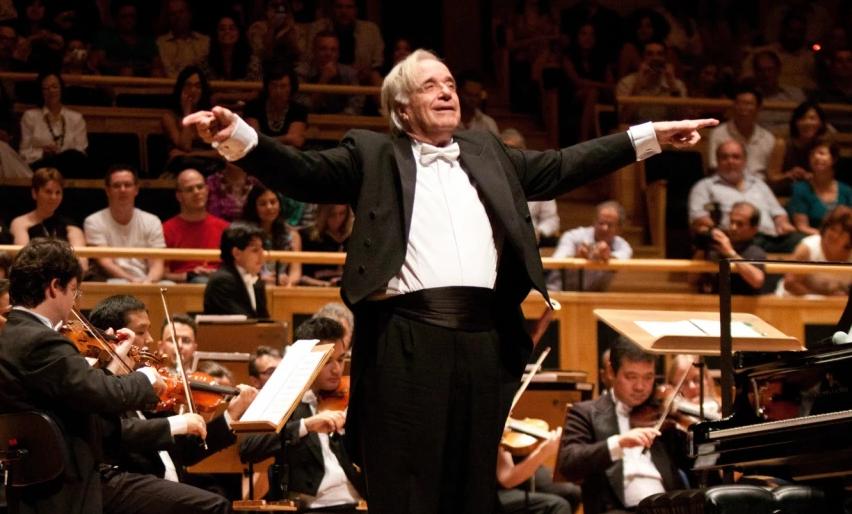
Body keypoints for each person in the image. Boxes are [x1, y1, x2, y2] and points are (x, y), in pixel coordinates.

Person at [183, 48, 716, 514]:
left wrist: (649, 137)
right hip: (407, 338)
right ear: (402, 108)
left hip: (484, 339)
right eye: (430, 85)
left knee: (472, 484)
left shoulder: (488, 153)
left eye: (451, 84)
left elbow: (563, 165)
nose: (446, 92)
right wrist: (241, 138)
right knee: (408, 480)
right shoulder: (372, 154)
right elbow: (303, 172)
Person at [0, 238, 167, 514]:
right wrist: (146, 378)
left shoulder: (12, 335)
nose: (74, 301)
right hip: (66, 487)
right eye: (74, 290)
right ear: (55, 287)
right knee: (208, 505)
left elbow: (79, 394)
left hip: (38, 482)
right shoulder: (41, 341)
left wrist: (114, 363)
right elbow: (101, 393)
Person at [240, 317, 365, 511]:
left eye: (341, 359)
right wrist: (306, 425)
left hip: (359, 502)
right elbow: (249, 448)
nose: (336, 369)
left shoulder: (349, 397)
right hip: (313, 506)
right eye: (327, 361)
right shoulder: (283, 400)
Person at [557, 338, 689, 514]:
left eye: (648, 377)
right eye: (631, 377)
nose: (640, 387)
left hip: (668, 508)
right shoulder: (585, 413)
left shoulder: (662, 417)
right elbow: (568, 463)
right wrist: (618, 443)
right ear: (612, 372)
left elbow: (693, 463)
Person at [688, 140, 799, 253]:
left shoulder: (758, 184)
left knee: (803, 241)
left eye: (736, 157)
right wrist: (724, 231)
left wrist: (782, 223)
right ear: (717, 161)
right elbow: (698, 218)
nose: (730, 161)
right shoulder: (704, 187)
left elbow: (778, 212)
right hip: (733, 240)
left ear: (745, 161)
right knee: (753, 251)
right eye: (724, 157)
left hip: (770, 237)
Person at [84, 164, 167, 283]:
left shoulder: (152, 221)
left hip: (147, 281)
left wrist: (147, 282)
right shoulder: (93, 221)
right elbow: (105, 263)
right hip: (113, 282)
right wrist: (133, 281)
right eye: (116, 186)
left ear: (136, 189)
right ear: (107, 190)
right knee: (117, 284)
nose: (122, 190)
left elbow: (157, 265)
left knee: (168, 286)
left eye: (127, 185)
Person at [9, 166, 88, 271]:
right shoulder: (20, 223)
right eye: (48, 192)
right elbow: (24, 263)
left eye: (58, 192)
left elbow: (82, 265)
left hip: (63, 279)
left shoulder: (71, 227)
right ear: (34, 193)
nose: (53, 197)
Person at [547, 200, 632, 292]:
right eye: (601, 223)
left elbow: (623, 257)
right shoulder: (572, 236)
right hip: (558, 292)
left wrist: (607, 255)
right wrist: (577, 257)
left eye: (610, 225)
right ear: (594, 222)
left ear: (619, 228)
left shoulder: (623, 246)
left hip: (594, 296)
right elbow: (557, 260)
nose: (604, 228)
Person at [162, 167, 230, 283]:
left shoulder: (225, 228)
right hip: (182, 287)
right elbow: (162, 274)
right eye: (189, 189)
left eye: (200, 187)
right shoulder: (166, 229)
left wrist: (216, 274)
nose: (196, 192)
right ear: (179, 196)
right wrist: (190, 275)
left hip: (219, 285)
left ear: (207, 190)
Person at [497, 423, 578, 514]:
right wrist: (544, 451)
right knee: (559, 506)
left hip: (512, 463)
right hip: (496, 487)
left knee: (573, 492)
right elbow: (507, 479)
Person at [19, 71, 88, 177]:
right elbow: (24, 153)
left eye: (54, 87)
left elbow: (80, 152)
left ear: (61, 89)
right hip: (41, 167)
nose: (51, 91)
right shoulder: (30, 116)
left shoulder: (76, 118)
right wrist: (43, 153)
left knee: (73, 156)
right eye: (45, 88)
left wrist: (60, 154)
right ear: (41, 92)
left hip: (69, 168)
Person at [691, 201, 767, 296]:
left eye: (740, 224)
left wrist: (730, 253)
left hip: (740, 304)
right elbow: (692, 279)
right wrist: (702, 245)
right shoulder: (716, 245)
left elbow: (757, 281)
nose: (733, 227)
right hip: (709, 302)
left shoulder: (755, 251)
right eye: (732, 222)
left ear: (754, 230)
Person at [706, 85, 776, 180]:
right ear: (733, 106)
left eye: (748, 104)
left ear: (759, 108)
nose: (743, 108)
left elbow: (771, 174)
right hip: (726, 183)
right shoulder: (718, 133)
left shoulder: (768, 137)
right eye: (739, 103)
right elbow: (713, 167)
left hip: (759, 185)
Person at [781, 206, 852, 296]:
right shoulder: (807, 248)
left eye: (842, 233)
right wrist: (823, 298)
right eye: (832, 229)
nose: (835, 236)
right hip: (795, 300)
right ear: (825, 228)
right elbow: (789, 284)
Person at [204, 222, 269, 318]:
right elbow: (240, 321)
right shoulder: (222, 282)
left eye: (262, 249)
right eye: (255, 250)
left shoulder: (256, 280)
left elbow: (264, 320)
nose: (262, 256)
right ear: (236, 253)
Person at [242, 184, 303, 286]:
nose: (269, 207)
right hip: (252, 286)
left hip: (282, 288)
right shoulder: (244, 234)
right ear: (254, 207)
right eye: (263, 204)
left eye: (273, 202)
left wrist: (287, 282)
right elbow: (242, 270)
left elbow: (296, 272)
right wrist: (265, 280)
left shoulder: (292, 236)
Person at [787, 140, 852, 235]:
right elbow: (802, 227)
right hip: (812, 237)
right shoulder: (800, 189)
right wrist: (828, 237)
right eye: (812, 154)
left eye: (821, 153)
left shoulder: (847, 191)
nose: (816, 157)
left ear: (834, 159)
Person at [766, 101, 828, 195]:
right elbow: (772, 178)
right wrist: (789, 174)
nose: (807, 123)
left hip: (814, 193)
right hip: (784, 193)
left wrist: (811, 176)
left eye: (812, 118)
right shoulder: (782, 144)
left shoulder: (823, 145)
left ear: (820, 123)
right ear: (795, 122)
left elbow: (828, 178)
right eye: (802, 118)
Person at [244, 64, 308, 148]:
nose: (278, 91)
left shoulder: (298, 110)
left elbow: (296, 140)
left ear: (291, 88)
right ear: (267, 87)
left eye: (283, 86)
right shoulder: (253, 107)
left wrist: (266, 141)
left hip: (288, 154)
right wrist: (286, 138)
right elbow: (253, 139)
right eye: (274, 85)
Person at [299, 204, 351, 286]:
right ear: (323, 215)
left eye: (342, 213)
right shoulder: (309, 237)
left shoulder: (353, 236)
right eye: (332, 215)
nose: (337, 219)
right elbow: (302, 277)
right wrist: (326, 284)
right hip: (317, 288)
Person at [156, 0, 209, 78]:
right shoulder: (160, 44)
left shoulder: (205, 42)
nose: (178, 17)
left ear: (189, 14)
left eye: (181, 12)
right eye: (173, 14)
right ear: (168, 18)